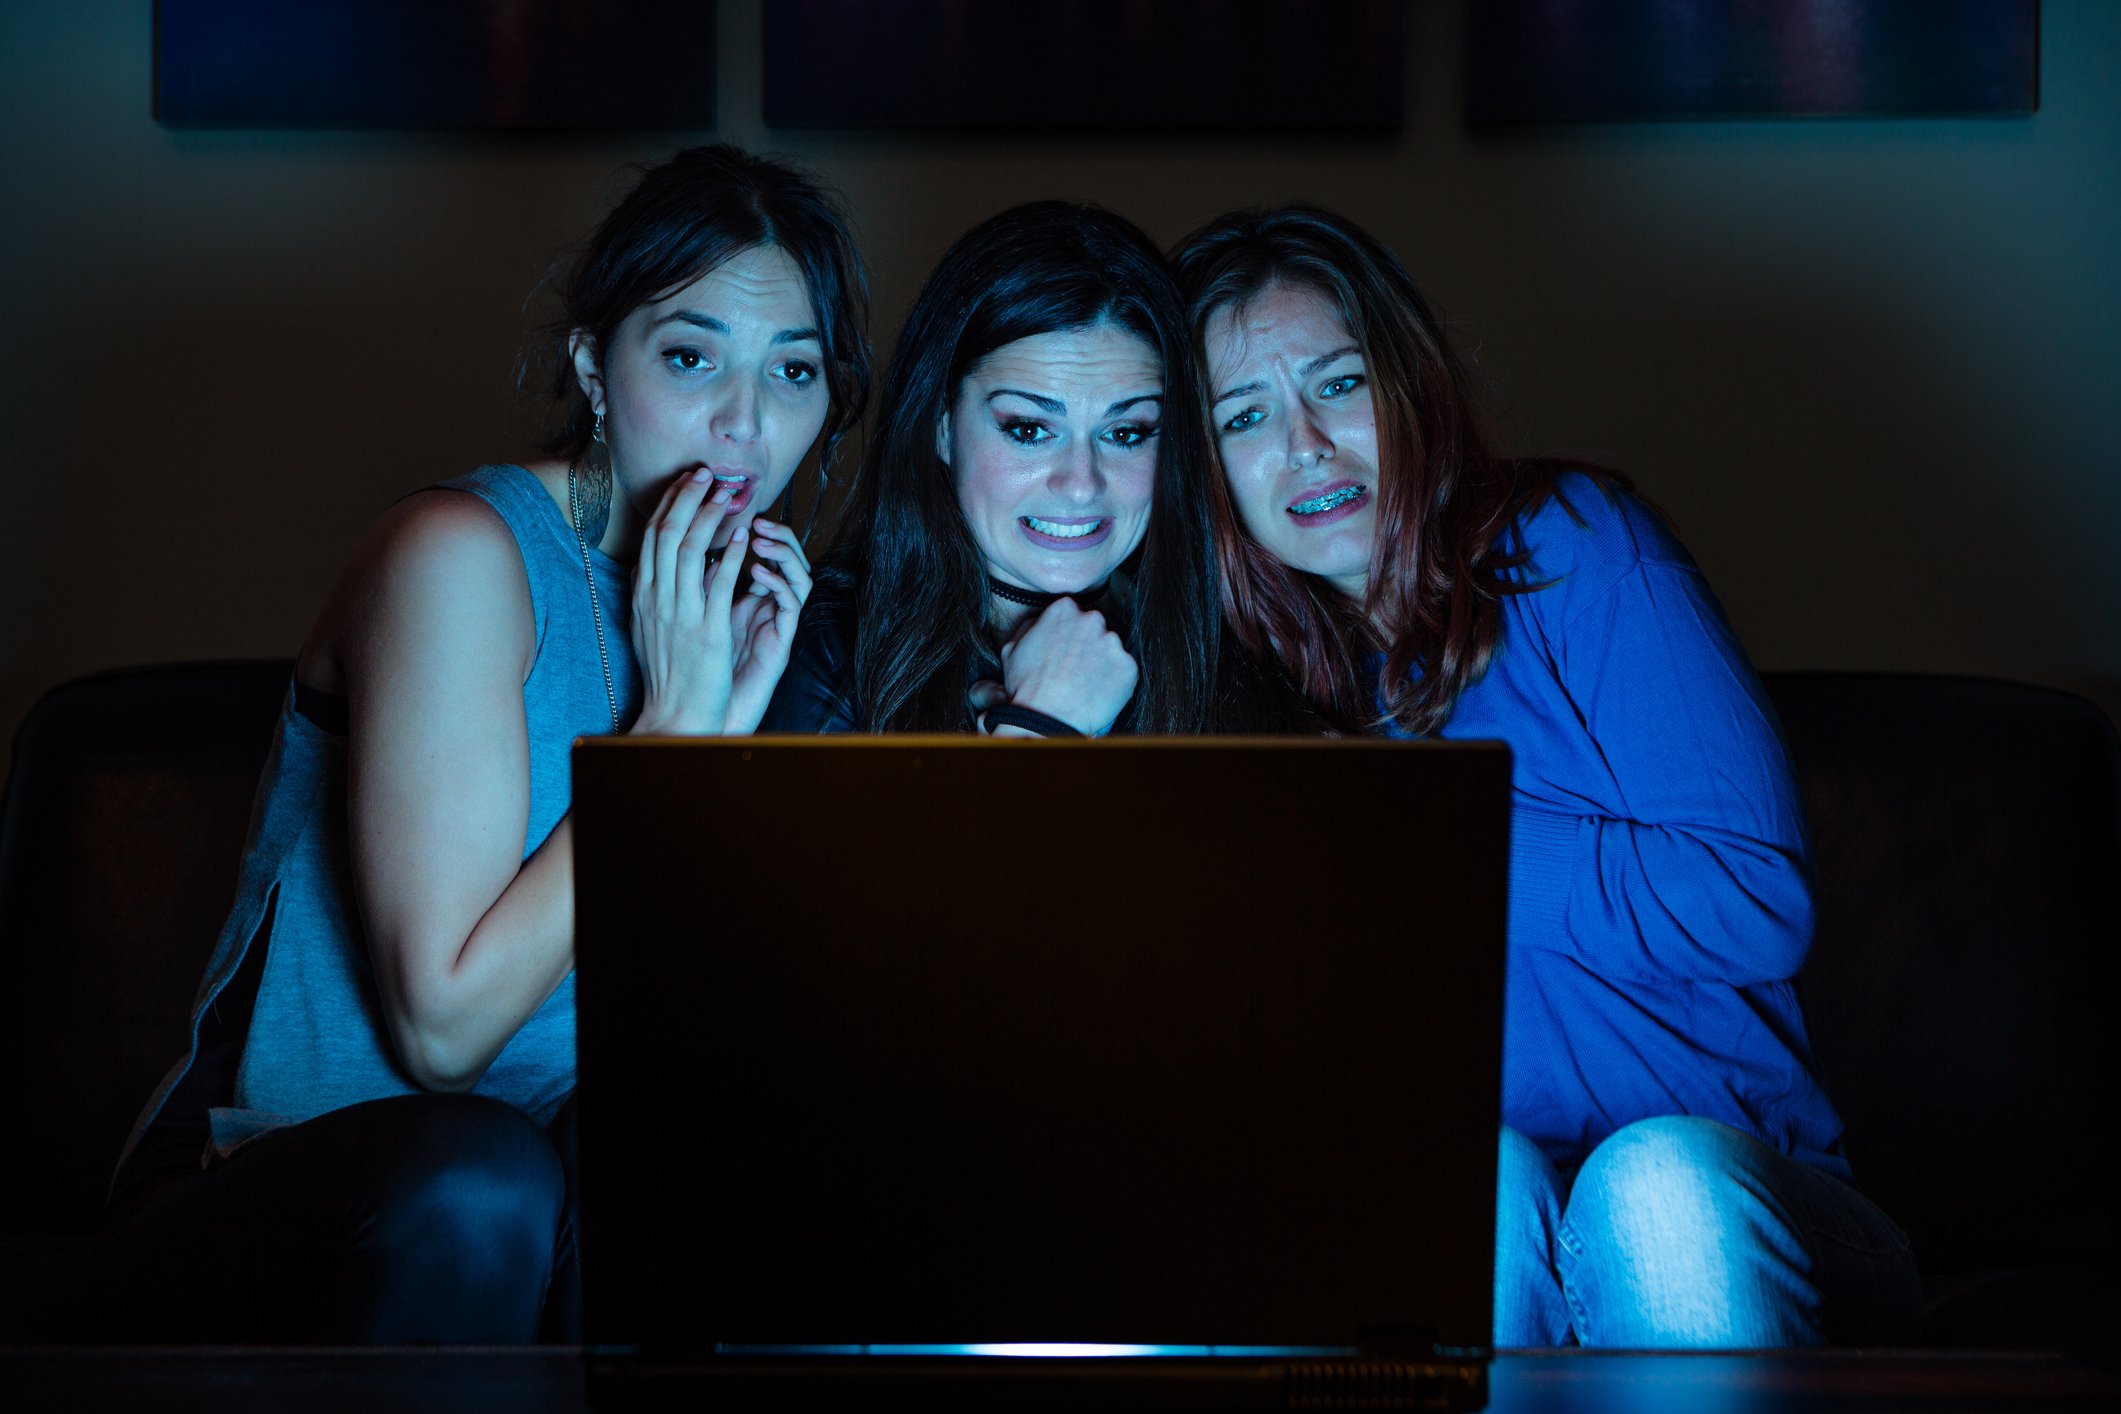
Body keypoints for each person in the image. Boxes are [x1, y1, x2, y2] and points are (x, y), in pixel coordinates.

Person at [96, 144, 871, 1343]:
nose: (744, 422)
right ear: (594, 368)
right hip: (269, 1179)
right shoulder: (459, 558)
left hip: (538, 1189)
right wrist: (669, 739)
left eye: (795, 371)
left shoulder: (746, 618)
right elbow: (444, 1034)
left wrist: (733, 722)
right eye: (688, 355)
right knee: (485, 1181)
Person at [1173, 205, 1920, 1348]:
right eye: (1244, 417)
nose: (1307, 447)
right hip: (1500, 1217)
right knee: (1469, 1185)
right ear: (1208, 469)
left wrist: (1433, 831)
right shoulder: (1246, 698)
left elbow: (1755, 900)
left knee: (1650, 1182)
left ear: (1407, 386)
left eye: (1337, 384)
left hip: (1743, 1203)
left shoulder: (1573, 544)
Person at [762, 201, 1225, 737]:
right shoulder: (827, 646)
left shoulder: (1225, 643)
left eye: (1126, 434)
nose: (1080, 484)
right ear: (940, 423)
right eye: (1028, 429)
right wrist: (1037, 728)